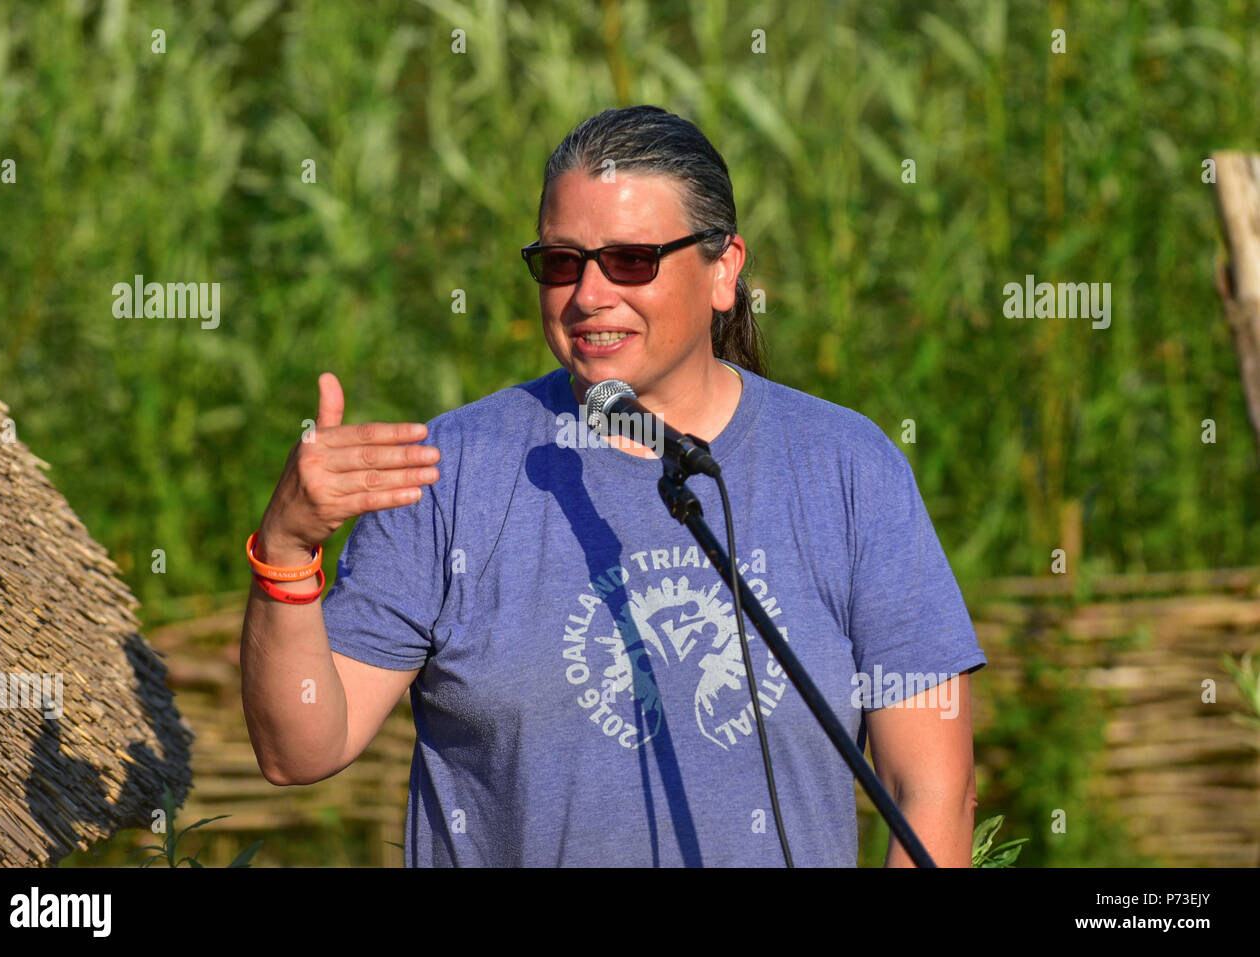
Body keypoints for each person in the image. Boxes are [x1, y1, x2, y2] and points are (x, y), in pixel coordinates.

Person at [241, 105, 986, 867]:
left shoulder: (848, 467)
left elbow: (932, 790)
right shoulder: (448, 469)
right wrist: (287, 550)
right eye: (562, 262)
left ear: (724, 269)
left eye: (631, 259)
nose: (590, 293)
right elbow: (299, 749)